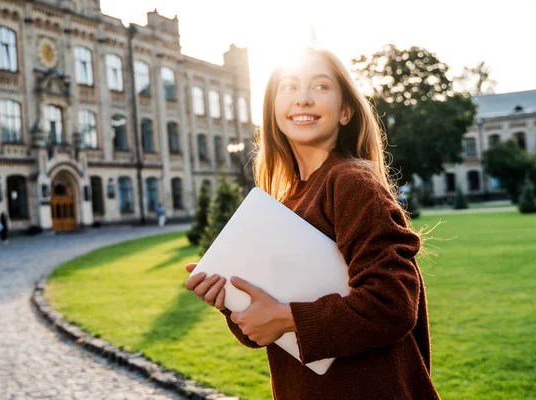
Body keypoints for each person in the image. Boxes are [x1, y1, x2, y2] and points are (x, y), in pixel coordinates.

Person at [184, 46, 440, 399]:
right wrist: (232, 301)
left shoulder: (350, 182)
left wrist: (286, 317)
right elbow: (265, 329)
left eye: (320, 87)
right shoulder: (285, 200)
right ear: (273, 109)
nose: (302, 99)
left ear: (346, 111)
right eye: (288, 87)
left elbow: (393, 303)